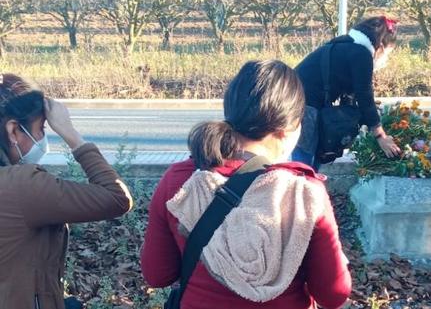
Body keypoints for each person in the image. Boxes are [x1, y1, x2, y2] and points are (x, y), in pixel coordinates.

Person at [141, 60, 352, 309]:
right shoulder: (303, 193)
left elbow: (157, 275)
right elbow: (334, 294)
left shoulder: (180, 181)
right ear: (290, 128)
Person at [0, 73, 133, 308]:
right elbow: (117, 198)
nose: (43, 138)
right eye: (41, 128)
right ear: (13, 131)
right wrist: (71, 135)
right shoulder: (23, 186)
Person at [293, 16, 401, 169]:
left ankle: (305, 188)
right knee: (302, 163)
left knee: (309, 158)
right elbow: (364, 95)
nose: (385, 58)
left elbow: (354, 96)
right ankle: (299, 190)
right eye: (388, 52)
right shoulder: (361, 53)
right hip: (303, 105)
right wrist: (380, 135)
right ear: (381, 45)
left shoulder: (346, 44)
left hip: (294, 98)